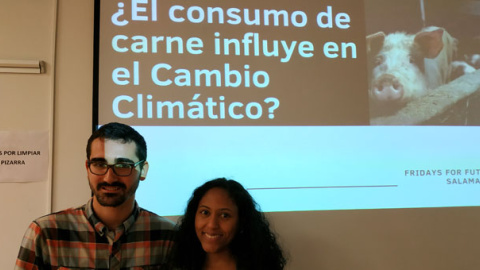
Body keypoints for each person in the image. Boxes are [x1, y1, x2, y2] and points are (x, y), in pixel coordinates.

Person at [15, 122, 176, 270]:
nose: (109, 178)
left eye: (123, 165)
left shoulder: (168, 236)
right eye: (100, 164)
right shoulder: (46, 233)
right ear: (87, 167)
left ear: (143, 170)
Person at [168, 178, 286, 270]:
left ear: (241, 222)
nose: (212, 224)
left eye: (225, 215)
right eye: (205, 212)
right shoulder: (178, 266)